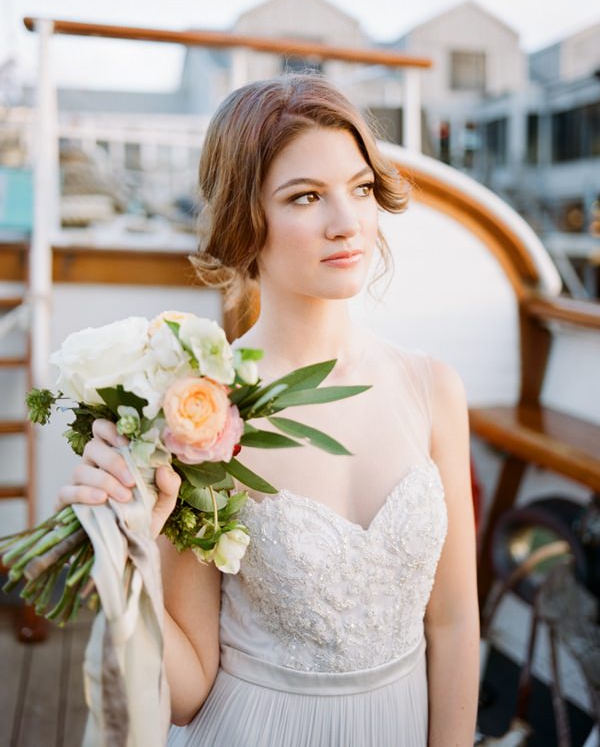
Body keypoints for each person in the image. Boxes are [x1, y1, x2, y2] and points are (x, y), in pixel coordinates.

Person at [56, 73, 480, 746]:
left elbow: (455, 625)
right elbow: (189, 695)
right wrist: (128, 557)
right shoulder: (200, 418)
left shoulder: (435, 390)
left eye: (361, 188)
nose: (348, 223)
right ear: (245, 220)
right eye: (305, 196)